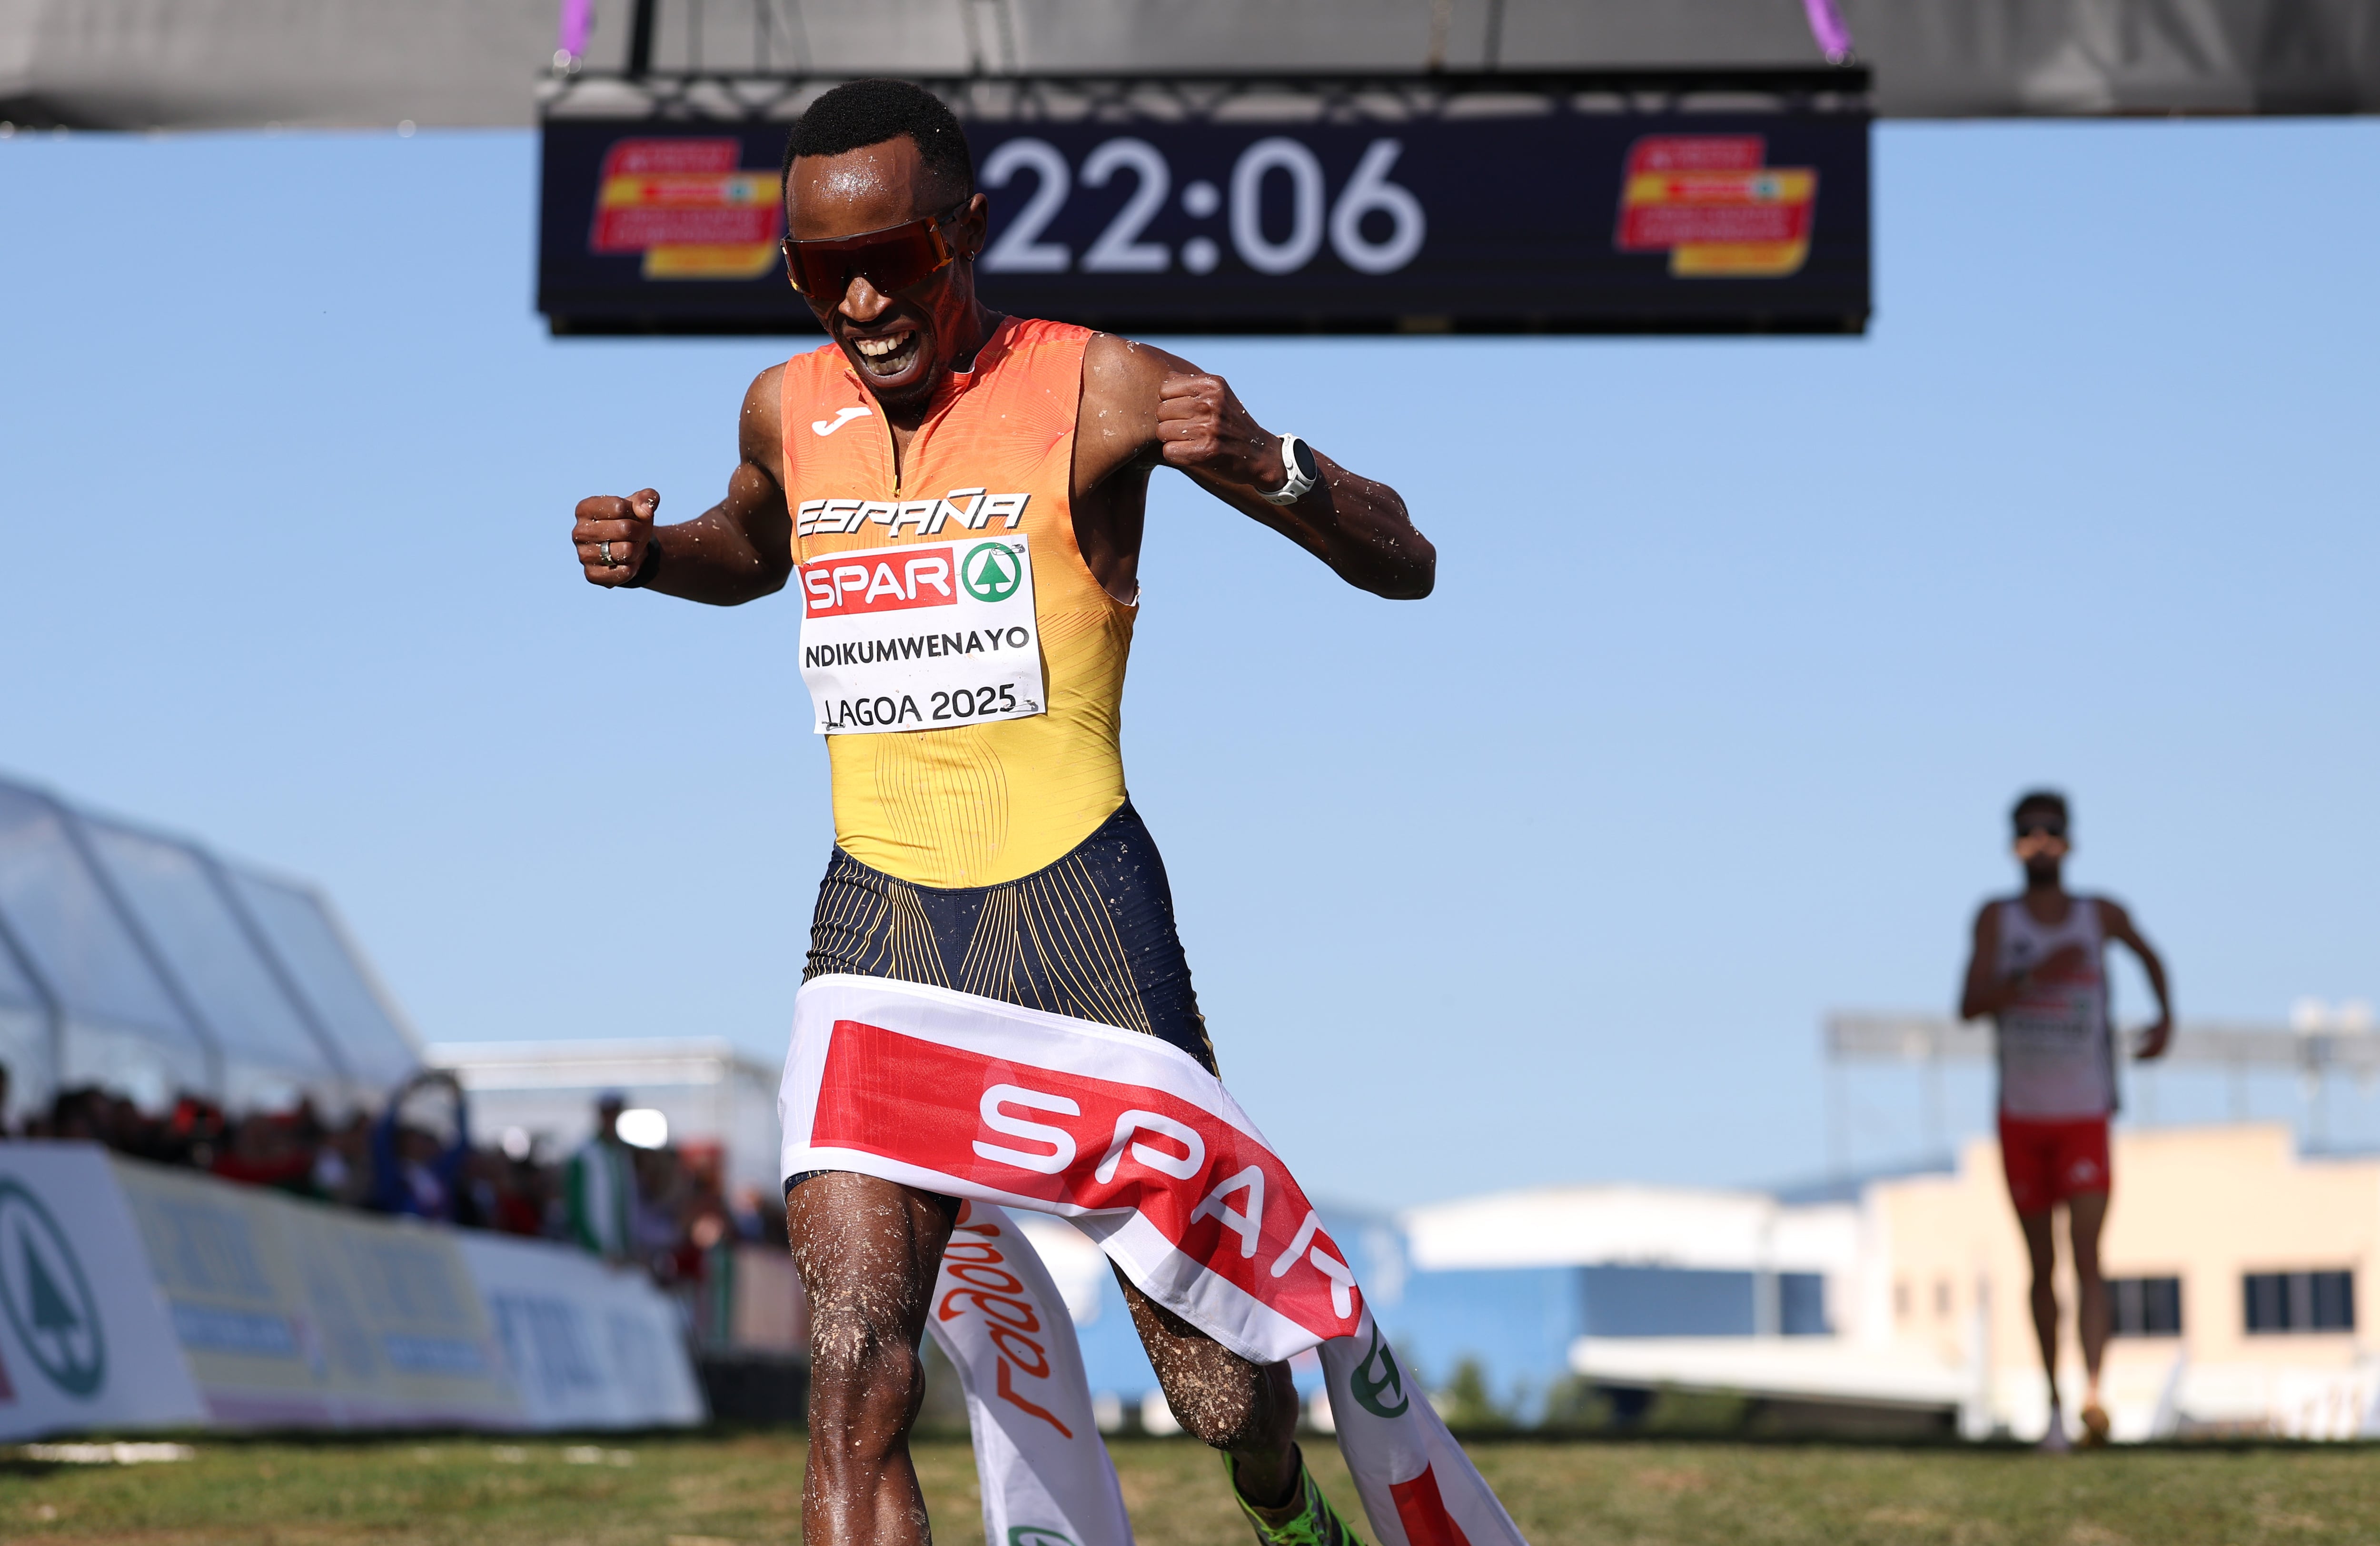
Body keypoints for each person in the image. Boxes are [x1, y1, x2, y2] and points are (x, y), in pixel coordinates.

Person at [569, 78, 1431, 1546]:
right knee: (850, 1375)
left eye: (895, 258)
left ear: (969, 230)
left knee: (1219, 1387)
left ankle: (1282, 1506)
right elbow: (755, 544)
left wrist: (1276, 468)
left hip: (1081, 912)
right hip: (877, 921)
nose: (856, 298)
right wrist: (661, 555)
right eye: (812, 268)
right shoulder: (785, 406)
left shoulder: (1099, 384)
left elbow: (1401, 559)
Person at [1959, 789, 2172, 1450]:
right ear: (2013, 845)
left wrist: (2166, 1019)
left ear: (2071, 841)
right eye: (2028, 832)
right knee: (2039, 1265)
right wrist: (2033, 977)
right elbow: (1969, 1003)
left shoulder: (2098, 914)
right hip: (2022, 1115)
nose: (2041, 841)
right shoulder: (1998, 920)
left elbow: (2151, 955)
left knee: (2089, 1258)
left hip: (2084, 1112)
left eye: (2051, 831)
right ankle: (2052, 1405)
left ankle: (2095, 1397)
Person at [565, 1091, 639, 1265]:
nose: (612, 1119)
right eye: (608, 1114)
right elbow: (576, 1205)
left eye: (615, 1113)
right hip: (594, 1255)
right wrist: (595, 1247)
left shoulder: (622, 1153)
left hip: (621, 1253)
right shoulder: (584, 1155)